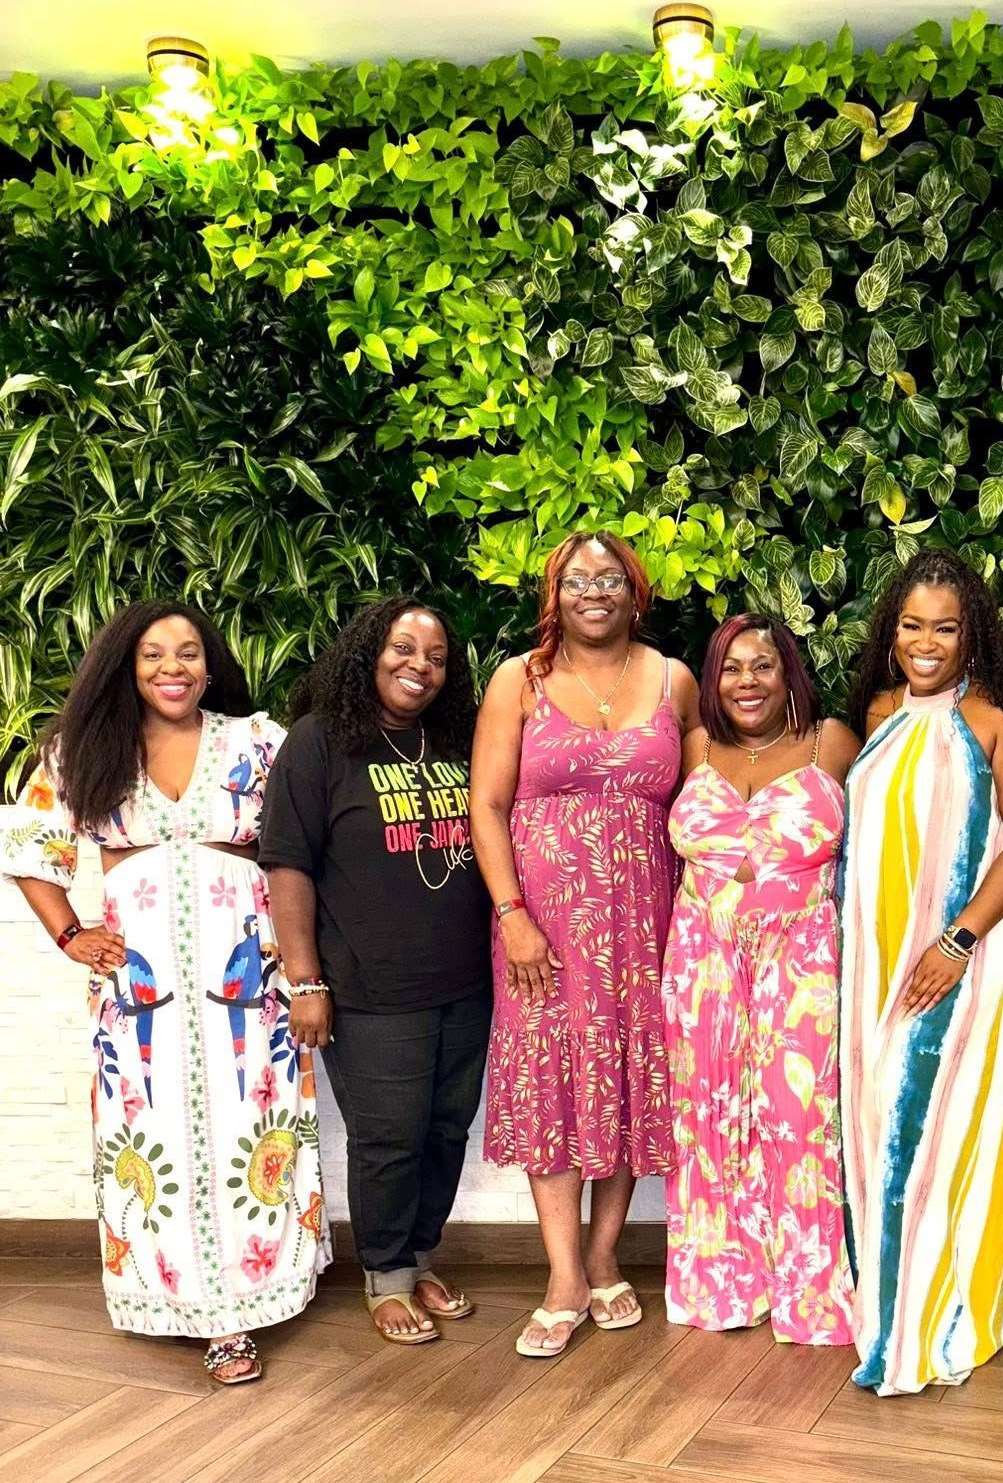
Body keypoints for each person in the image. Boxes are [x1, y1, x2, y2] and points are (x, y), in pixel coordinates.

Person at [0, 602, 326, 1385]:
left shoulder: (257, 741)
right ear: (128, 667)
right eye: (152, 655)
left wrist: (308, 968)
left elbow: (310, 847)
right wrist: (71, 935)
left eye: (186, 653)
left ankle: (246, 1303)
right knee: (159, 1134)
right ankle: (180, 1299)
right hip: (140, 990)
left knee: (253, 1124)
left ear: (210, 665)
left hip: (249, 981)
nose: (171, 667)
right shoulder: (81, 749)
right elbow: (29, 850)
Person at [470, 532, 698, 1358]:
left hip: (648, 925)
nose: (593, 591)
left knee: (629, 1077)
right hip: (544, 931)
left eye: (610, 579)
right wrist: (511, 913)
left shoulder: (676, 679)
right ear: (553, 594)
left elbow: (704, 795)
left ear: (636, 594)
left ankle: (606, 1255)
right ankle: (564, 1274)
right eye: (576, 580)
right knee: (552, 1082)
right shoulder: (517, 680)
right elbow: (487, 807)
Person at [840, 548, 1003, 1397]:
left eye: (945, 627)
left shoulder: (996, 717)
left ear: (972, 634)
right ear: (891, 631)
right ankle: (888, 1303)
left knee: (930, 1128)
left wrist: (958, 941)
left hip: (968, 954)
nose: (926, 642)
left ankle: (935, 1316)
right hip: (879, 955)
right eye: (911, 625)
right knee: (876, 1123)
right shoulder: (880, 708)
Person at [261, 596, 489, 1344]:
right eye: (402, 647)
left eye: (435, 656)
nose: (418, 665)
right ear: (369, 652)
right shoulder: (319, 743)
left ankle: (420, 1259)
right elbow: (288, 866)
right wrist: (307, 982)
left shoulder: (457, 741)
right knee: (389, 1137)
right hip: (368, 990)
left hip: (464, 982)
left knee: (445, 1131)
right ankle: (385, 1275)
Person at [663, 614, 860, 1343]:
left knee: (802, 1118)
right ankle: (720, 1286)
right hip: (703, 963)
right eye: (731, 668)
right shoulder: (693, 748)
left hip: (802, 963)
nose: (747, 681)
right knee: (708, 1120)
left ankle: (809, 1299)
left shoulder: (829, 742)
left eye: (763, 666)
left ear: (790, 675)